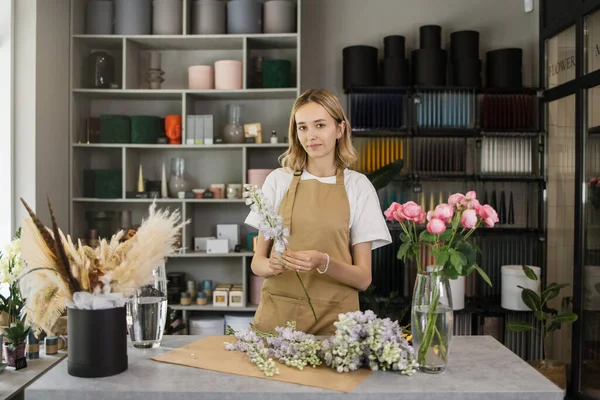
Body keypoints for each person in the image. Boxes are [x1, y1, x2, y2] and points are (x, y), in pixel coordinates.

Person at [244, 88, 392, 335]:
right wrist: (273, 265)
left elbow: (364, 278)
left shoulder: (358, 186)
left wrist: (323, 262)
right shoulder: (278, 181)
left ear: (340, 129)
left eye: (320, 125)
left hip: (335, 324)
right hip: (278, 321)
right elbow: (257, 264)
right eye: (302, 127)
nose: (310, 135)